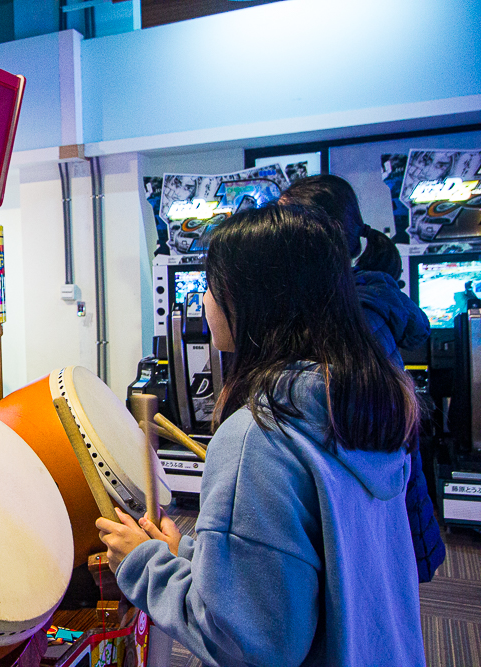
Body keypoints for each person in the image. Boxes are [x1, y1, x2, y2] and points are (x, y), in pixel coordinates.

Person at [97, 205, 426, 667]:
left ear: (248, 299)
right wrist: (186, 555)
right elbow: (309, 576)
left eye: (210, 287)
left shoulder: (260, 435)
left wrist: (143, 564)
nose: (204, 302)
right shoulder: (366, 407)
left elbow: (249, 645)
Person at [279, 174, 445, 583]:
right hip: (384, 490)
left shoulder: (351, 316)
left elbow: (357, 441)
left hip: (378, 500)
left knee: (377, 612)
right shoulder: (364, 299)